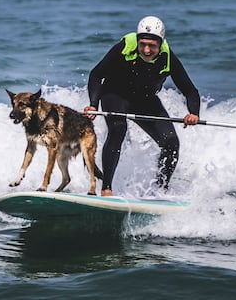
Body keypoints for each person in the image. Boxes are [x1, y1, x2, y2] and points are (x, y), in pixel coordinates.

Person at [84, 16, 200, 197]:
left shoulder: (167, 57)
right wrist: (93, 104)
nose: (146, 50)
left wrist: (193, 113)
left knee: (171, 143)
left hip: (144, 100)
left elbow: (190, 91)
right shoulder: (124, 47)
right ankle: (106, 189)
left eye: (152, 46)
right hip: (115, 93)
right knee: (118, 128)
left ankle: (160, 191)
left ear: (160, 44)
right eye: (143, 44)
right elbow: (96, 75)